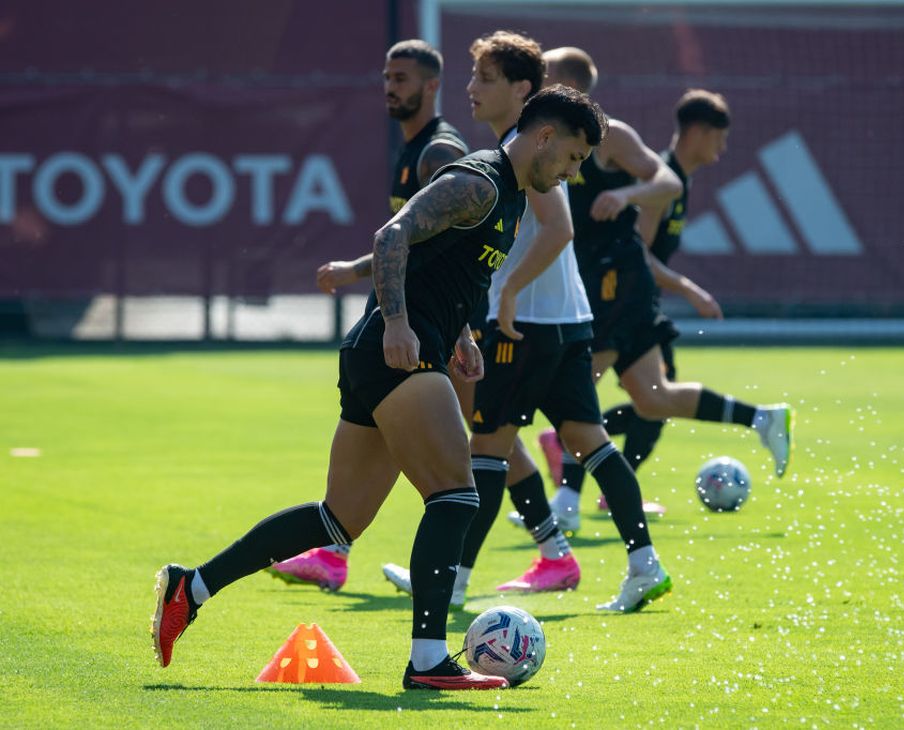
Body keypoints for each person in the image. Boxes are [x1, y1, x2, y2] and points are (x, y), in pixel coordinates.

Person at [151, 84, 606, 690]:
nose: (573, 173)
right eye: (573, 157)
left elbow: (442, 262)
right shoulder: (480, 180)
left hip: (395, 351)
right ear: (545, 136)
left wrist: (461, 334)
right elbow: (393, 235)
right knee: (456, 495)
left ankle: (192, 586)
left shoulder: (513, 197)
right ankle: (428, 661)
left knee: (337, 520)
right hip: (396, 350)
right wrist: (396, 322)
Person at [381, 35, 673, 613]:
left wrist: (509, 291)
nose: (471, 89)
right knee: (587, 442)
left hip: (530, 324)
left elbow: (559, 228)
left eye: (484, 79)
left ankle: (453, 580)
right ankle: (644, 564)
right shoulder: (516, 148)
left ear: (520, 91)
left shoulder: (527, 150)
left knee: (487, 451)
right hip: (567, 319)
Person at [544, 52, 794, 529]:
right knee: (654, 399)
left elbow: (661, 187)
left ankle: (568, 504)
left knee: (579, 386)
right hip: (604, 282)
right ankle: (762, 419)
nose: (534, 83)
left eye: (543, 75)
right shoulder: (544, 141)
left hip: (617, 283)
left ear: (567, 83)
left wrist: (625, 195)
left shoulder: (609, 136)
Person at [266, 40, 469, 593]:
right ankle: (334, 552)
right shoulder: (411, 150)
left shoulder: (438, 154)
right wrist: (356, 270)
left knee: (488, 443)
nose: (389, 87)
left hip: (425, 326)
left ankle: (544, 545)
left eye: (401, 78)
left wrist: (461, 329)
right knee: (466, 441)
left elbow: (451, 250)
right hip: (412, 324)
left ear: (432, 85)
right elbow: (407, 242)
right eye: (386, 77)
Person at [602, 89, 731, 479]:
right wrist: (690, 290)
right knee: (657, 398)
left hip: (639, 302)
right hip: (625, 304)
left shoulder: (679, 182)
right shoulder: (661, 181)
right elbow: (638, 253)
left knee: (655, 399)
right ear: (697, 132)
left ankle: (589, 469)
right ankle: (584, 471)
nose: (723, 148)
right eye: (719, 137)